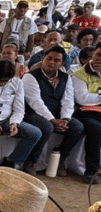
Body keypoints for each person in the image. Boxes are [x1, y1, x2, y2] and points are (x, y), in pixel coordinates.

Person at [22, 45, 84, 177]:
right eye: (49, 58)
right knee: (47, 126)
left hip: (57, 114)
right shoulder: (30, 76)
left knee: (77, 127)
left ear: (61, 63)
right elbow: (35, 102)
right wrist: (53, 120)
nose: (52, 62)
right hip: (33, 113)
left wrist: (65, 119)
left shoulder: (65, 77)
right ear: (43, 59)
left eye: (56, 60)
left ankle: (59, 160)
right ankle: (30, 162)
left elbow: (68, 101)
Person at [70, 42, 101, 183]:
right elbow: (83, 99)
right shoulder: (80, 73)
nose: (100, 59)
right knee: (95, 128)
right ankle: (91, 171)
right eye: (98, 55)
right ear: (92, 55)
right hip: (85, 113)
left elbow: (90, 97)